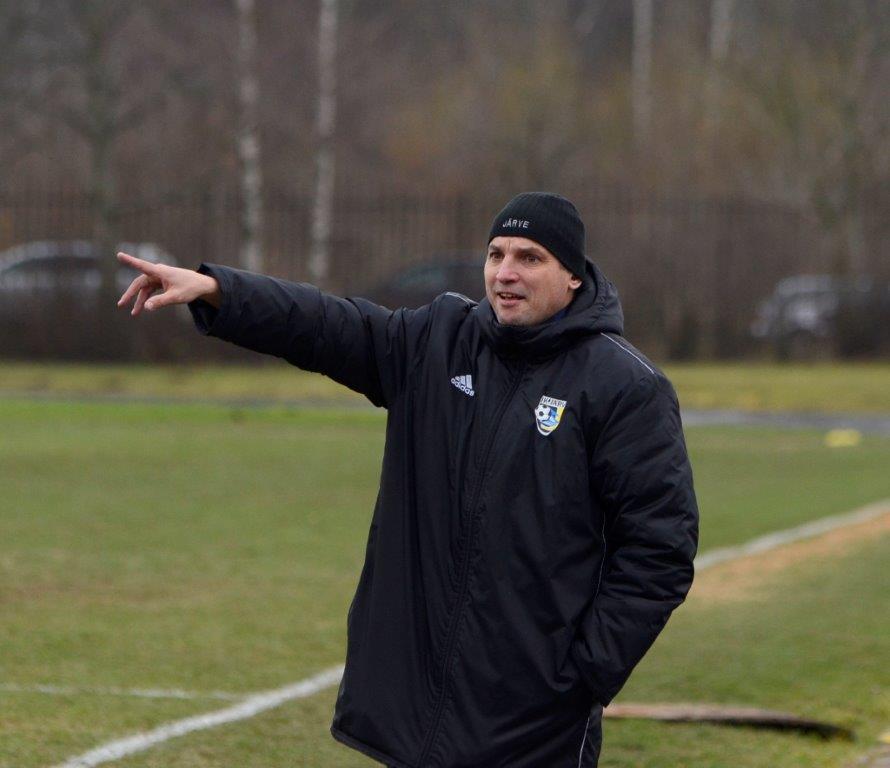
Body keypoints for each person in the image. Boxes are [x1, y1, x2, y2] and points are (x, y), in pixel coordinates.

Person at [117, 191, 698, 768]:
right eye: (496, 254)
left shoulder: (625, 387)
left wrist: (582, 674)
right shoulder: (438, 343)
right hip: (420, 709)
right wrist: (219, 290)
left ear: (572, 275)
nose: (506, 272)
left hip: (533, 722)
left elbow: (660, 550)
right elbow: (325, 324)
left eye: (530, 257)